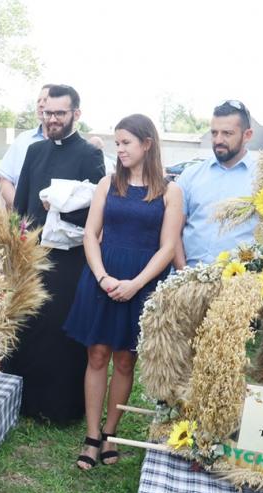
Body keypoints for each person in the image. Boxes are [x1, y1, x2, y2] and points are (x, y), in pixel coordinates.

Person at [64, 114, 182, 469]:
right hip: (103, 276)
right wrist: (102, 276)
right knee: (97, 354)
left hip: (142, 282)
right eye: (117, 143)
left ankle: (110, 433)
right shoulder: (107, 183)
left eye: (126, 142)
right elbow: (90, 234)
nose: (120, 149)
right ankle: (91, 436)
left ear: (147, 144)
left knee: (126, 359)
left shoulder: (170, 191)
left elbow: (168, 246)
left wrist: (136, 284)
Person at [4, 84, 105, 423]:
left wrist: (60, 208)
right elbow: (20, 205)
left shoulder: (89, 155)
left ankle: (57, 407)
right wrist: (16, 246)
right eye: (48, 113)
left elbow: (96, 212)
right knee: (28, 324)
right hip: (32, 255)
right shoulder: (34, 151)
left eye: (60, 113)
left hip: (68, 261)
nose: (52, 119)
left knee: (59, 332)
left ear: (76, 114)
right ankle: (21, 401)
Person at [174, 100, 257, 268]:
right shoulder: (191, 175)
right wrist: (184, 275)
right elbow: (173, 233)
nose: (218, 140)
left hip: (239, 280)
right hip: (187, 278)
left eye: (227, 133)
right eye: (214, 133)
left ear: (247, 135)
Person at [0, 84, 53, 207]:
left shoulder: (71, 145)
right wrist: (19, 209)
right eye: (38, 100)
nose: (40, 104)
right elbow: (4, 179)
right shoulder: (23, 139)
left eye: (45, 100)